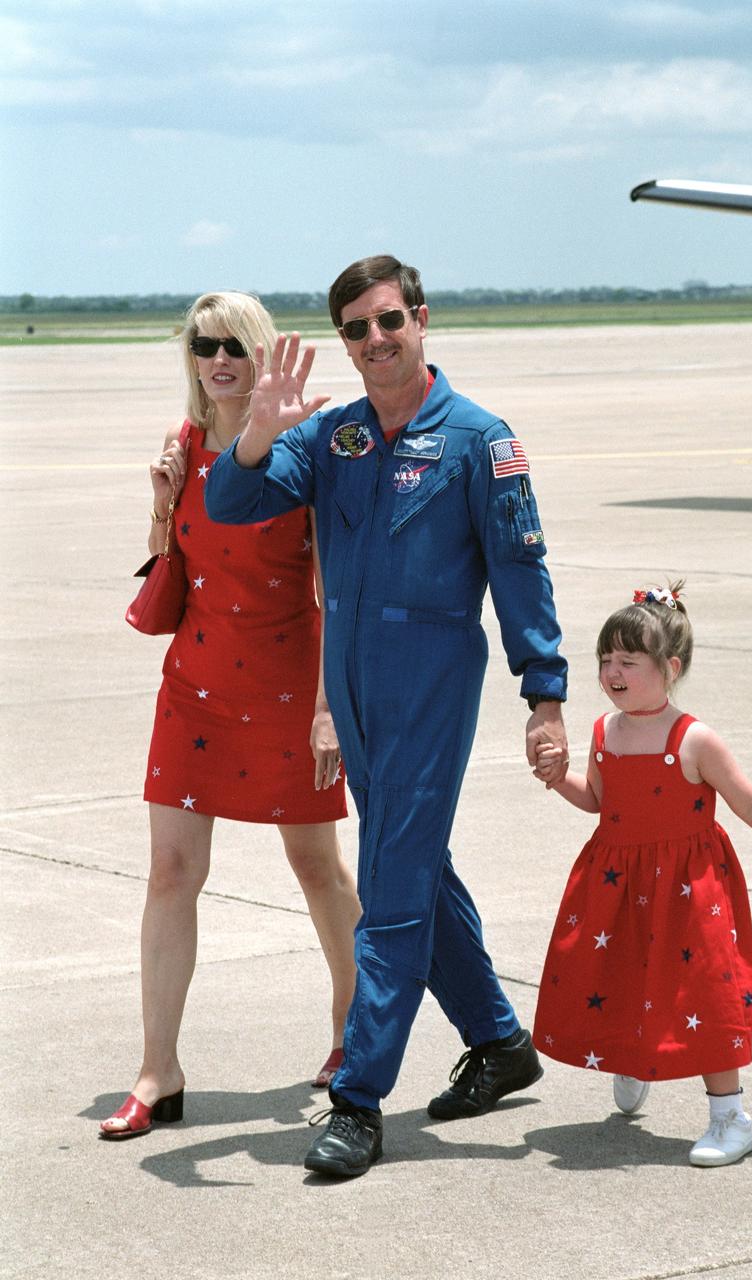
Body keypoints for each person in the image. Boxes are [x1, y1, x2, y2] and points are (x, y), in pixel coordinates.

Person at [204, 255, 569, 1177]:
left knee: (392, 891)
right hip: (355, 683)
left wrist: (545, 696)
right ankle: (498, 1040)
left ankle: (359, 1100)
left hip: (432, 677)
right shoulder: (335, 438)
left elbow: (523, 574)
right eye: (357, 329)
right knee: (414, 864)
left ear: (422, 319)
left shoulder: (479, 441)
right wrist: (256, 431)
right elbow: (232, 500)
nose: (376, 340)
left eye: (389, 321)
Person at [100, 291, 362, 1139]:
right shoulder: (182, 444)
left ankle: (350, 1034)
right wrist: (159, 497)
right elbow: (169, 572)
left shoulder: (304, 450)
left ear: (260, 356)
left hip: (291, 686)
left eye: (235, 347)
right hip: (196, 686)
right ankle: (157, 1070)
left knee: (316, 869)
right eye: (204, 345)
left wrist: (330, 710)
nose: (219, 360)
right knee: (170, 872)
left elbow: (335, 588)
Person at [532, 583, 752, 1167]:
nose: (612, 672)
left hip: (690, 890)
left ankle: (729, 1116)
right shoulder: (603, 732)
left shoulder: (692, 739)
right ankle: (633, 1055)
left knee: (707, 994)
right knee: (618, 973)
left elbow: (748, 801)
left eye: (627, 662)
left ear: (670, 668)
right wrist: (557, 777)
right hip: (616, 882)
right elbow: (598, 800)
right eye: (605, 660)